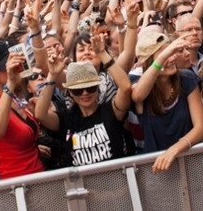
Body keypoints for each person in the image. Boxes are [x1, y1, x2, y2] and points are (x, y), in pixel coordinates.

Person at [36, 33, 133, 166]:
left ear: (98, 87)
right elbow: (40, 114)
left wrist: (103, 54)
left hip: (117, 183)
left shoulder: (111, 111)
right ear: (70, 92)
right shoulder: (66, 119)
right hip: (82, 186)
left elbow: (126, 87)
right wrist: (52, 76)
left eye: (91, 87)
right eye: (78, 90)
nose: (85, 93)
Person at [130, 31, 203, 173]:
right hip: (158, 170)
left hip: (191, 164)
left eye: (172, 52)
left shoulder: (187, 79)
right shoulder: (140, 86)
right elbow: (138, 96)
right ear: (147, 62)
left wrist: (174, 150)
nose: (171, 59)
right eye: (164, 54)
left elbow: (200, 128)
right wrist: (163, 58)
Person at [0, 40, 44, 179]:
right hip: (17, 187)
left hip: (36, 178)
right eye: (7, 68)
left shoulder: (11, 97)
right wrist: (10, 84)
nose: (16, 69)